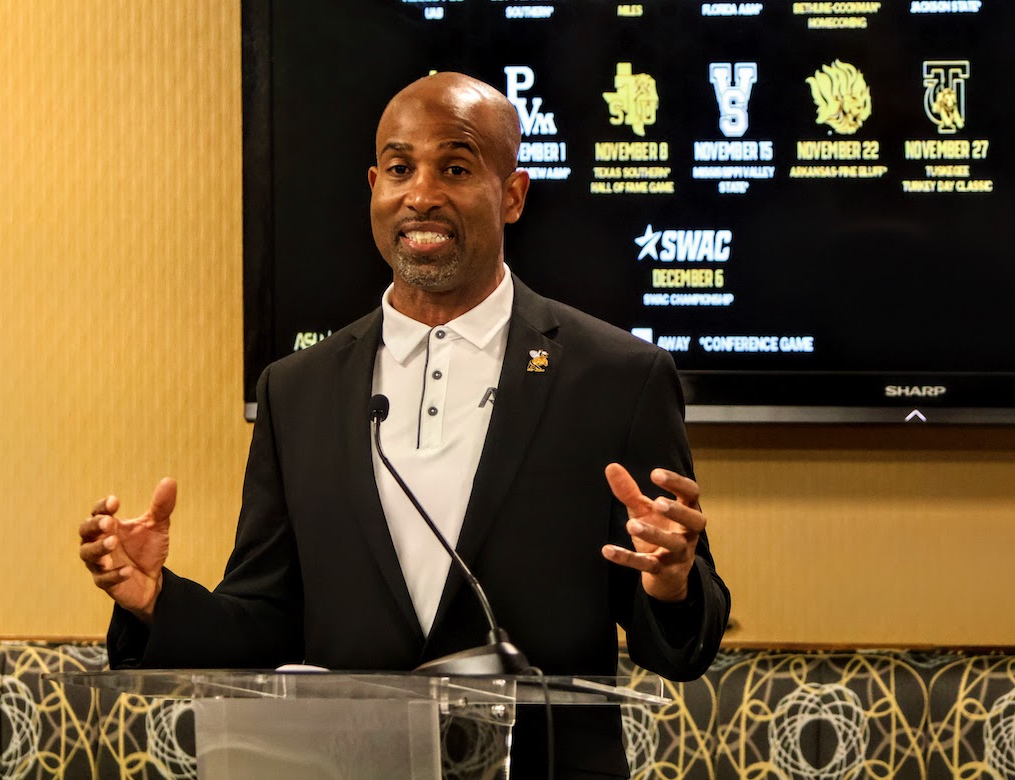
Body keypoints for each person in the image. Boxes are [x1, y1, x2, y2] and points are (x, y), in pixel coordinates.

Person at [79, 72, 730, 778]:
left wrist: (672, 581)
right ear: (373, 187)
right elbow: (266, 619)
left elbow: (680, 648)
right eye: (399, 168)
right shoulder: (298, 390)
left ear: (512, 194)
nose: (421, 194)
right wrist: (155, 600)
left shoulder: (616, 378)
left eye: (455, 167)